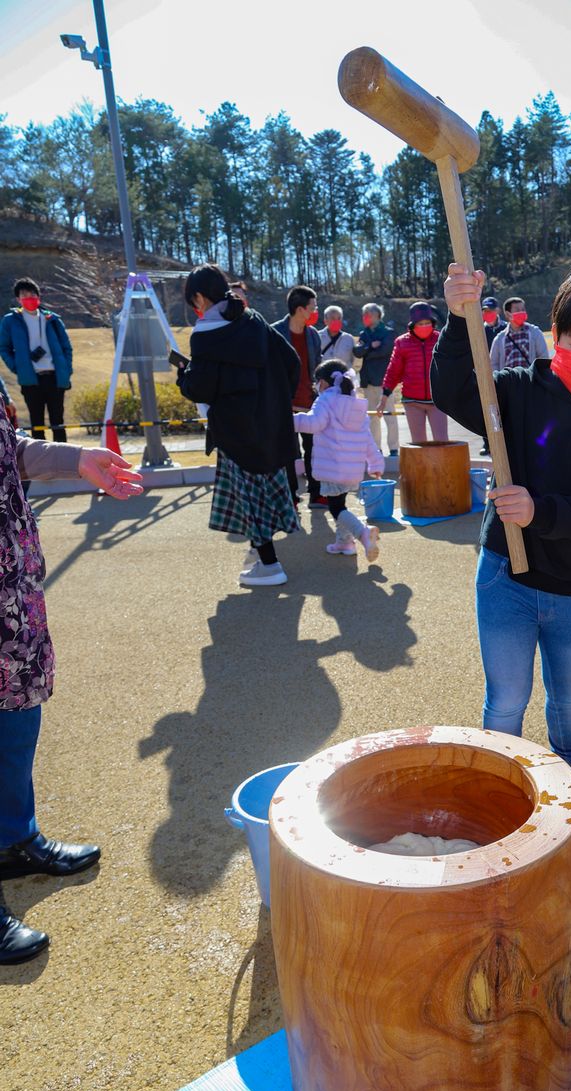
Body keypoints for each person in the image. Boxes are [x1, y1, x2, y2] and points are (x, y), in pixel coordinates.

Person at [431, 260, 571, 811]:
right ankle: (498, 776)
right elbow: (454, 391)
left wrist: (538, 511)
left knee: (568, 696)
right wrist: (460, 320)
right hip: (504, 573)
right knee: (506, 700)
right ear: (555, 334)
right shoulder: (517, 391)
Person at [0, 413, 143, 964]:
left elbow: (4, 445)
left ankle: (13, 838)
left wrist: (73, 459)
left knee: (17, 706)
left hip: (10, 570)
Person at [178, 263, 300, 587]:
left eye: (194, 300)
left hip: (234, 429)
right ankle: (259, 554)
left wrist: (184, 377)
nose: (195, 307)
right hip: (271, 423)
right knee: (267, 492)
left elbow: (201, 388)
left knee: (249, 497)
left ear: (200, 297)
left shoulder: (205, 334)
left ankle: (270, 564)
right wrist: (275, 400)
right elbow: (291, 361)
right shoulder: (254, 319)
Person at [294, 359, 383, 561]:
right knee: (340, 503)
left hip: (331, 466)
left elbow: (314, 423)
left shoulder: (325, 400)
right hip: (352, 469)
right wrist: (375, 463)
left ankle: (362, 533)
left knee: (336, 508)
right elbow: (367, 438)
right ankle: (344, 542)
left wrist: (289, 420)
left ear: (323, 383)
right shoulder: (355, 403)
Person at [0, 277, 73, 443]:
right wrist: (17, 367)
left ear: (38, 296)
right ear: (18, 299)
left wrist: (66, 370)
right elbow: (3, 348)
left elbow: (66, 347)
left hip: (55, 376)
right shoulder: (11, 320)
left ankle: (63, 459)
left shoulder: (52, 319)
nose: (29, 297)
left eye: (32, 294)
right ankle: (40, 464)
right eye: (24, 294)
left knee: (58, 421)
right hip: (31, 379)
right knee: (37, 423)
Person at [272, 286, 325, 506]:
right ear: (300, 309)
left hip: (310, 404)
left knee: (314, 451)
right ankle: (291, 496)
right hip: (284, 404)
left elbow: (318, 364)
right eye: (313, 307)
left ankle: (316, 493)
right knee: (287, 454)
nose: (316, 311)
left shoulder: (312, 334)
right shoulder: (274, 333)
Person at [381, 302, 445, 443]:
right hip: (412, 401)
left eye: (427, 322)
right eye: (420, 323)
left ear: (432, 322)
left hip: (437, 401)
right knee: (418, 443)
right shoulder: (402, 342)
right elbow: (393, 370)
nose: (424, 326)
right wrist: (385, 395)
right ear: (412, 324)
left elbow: (449, 367)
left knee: (442, 442)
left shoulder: (440, 339)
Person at [354, 303, 397, 456]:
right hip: (368, 381)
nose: (365, 317)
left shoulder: (388, 333)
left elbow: (385, 351)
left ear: (377, 316)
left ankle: (393, 449)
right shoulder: (364, 333)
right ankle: (376, 448)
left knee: (389, 416)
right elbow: (357, 352)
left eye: (368, 314)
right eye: (364, 314)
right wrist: (371, 346)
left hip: (385, 381)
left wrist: (367, 350)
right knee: (372, 418)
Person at [489, 297, 548, 371]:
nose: (521, 312)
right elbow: (493, 365)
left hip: (530, 381)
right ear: (508, 314)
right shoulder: (499, 339)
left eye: (523, 309)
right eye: (517, 310)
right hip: (508, 381)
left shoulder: (535, 332)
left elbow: (544, 358)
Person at [479, 298, 507, 454]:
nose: (487, 314)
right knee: (486, 410)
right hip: (485, 374)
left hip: (502, 373)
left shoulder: (505, 328)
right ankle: (487, 443)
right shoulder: (480, 330)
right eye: (484, 311)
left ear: (497, 311)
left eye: (490, 310)